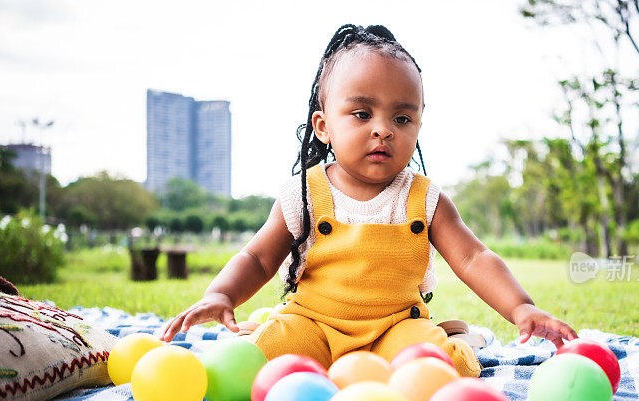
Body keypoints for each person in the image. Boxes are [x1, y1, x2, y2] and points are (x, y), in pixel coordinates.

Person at [161, 24, 578, 377]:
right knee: (254, 365)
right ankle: (267, 327)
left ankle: (458, 336)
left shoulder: (423, 197)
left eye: (401, 118)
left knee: (442, 371)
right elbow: (257, 258)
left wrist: (521, 307)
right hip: (314, 322)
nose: (383, 130)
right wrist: (222, 295)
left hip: (395, 326)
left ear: (418, 124)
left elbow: (473, 258)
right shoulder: (304, 193)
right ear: (324, 126)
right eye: (362, 114)